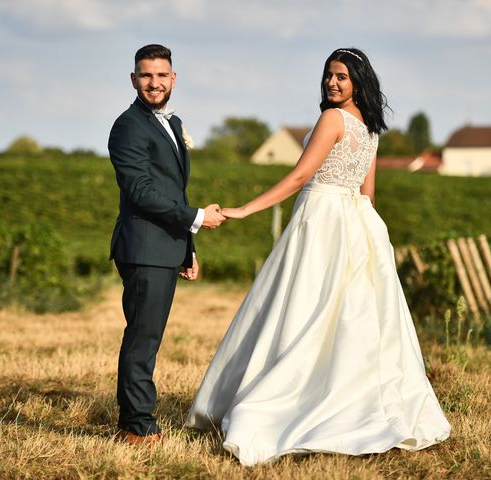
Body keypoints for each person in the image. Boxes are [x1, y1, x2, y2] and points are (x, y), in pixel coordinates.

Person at [185, 48, 450, 465]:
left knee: (301, 308)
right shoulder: (372, 128)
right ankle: (339, 401)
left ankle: (286, 402)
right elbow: (368, 195)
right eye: (329, 75)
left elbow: (300, 175)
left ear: (358, 82)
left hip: (321, 221)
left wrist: (245, 209)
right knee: (343, 317)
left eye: (342, 76)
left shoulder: (333, 119)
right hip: (356, 224)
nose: (332, 82)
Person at [108, 44, 225, 445]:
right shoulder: (128, 126)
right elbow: (140, 192)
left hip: (164, 247)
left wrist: (187, 248)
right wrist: (196, 218)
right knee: (142, 338)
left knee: (149, 336)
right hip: (141, 247)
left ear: (173, 78)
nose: (154, 83)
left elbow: (172, 189)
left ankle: (136, 418)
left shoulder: (171, 125)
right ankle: (135, 426)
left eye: (161, 75)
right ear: (133, 79)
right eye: (146, 75)